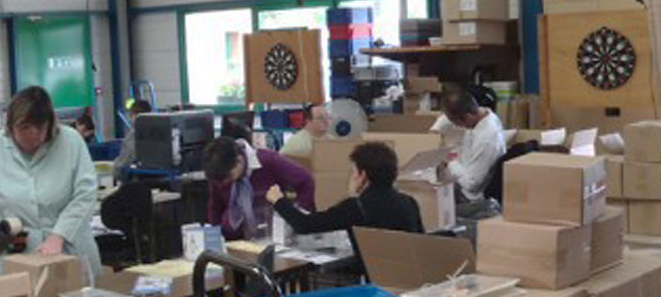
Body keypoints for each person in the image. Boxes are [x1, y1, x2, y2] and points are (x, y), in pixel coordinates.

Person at [0, 86, 101, 279]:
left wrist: (59, 235)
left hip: (69, 244)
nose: (34, 135)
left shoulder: (70, 142)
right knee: (14, 289)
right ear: (10, 126)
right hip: (14, 250)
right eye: (25, 128)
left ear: (51, 124)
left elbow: (86, 193)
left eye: (41, 127)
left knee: (72, 289)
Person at [267, 142, 423, 235]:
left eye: (353, 172)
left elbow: (304, 225)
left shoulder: (357, 207)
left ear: (362, 175)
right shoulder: (409, 202)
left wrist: (279, 201)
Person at [203, 136, 315, 240]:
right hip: (235, 239)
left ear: (239, 161)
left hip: (270, 235)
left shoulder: (269, 161)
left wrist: (298, 217)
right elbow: (215, 207)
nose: (225, 183)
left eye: (229, 177)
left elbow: (306, 180)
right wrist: (215, 238)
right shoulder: (220, 173)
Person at [438, 85, 507, 203]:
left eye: (457, 122)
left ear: (468, 116)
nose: (456, 126)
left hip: (470, 198)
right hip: (463, 172)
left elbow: (471, 184)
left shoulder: (486, 139)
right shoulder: (482, 114)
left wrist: (450, 159)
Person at [112, 99, 152, 170]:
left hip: (136, 175)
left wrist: (113, 167)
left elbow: (122, 163)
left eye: (131, 115)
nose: (130, 119)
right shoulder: (157, 131)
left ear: (135, 115)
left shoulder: (133, 135)